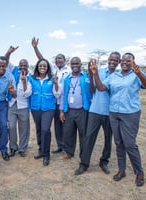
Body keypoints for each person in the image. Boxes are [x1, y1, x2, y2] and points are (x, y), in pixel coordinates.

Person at [90, 52, 146, 187]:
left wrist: (138, 73)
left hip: (130, 113)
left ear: (133, 61)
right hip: (114, 112)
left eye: (129, 60)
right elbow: (102, 88)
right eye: (124, 61)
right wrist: (95, 73)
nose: (125, 62)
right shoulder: (114, 76)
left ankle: (139, 172)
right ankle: (122, 170)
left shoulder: (137, 74)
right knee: (119, 142)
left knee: (129, 143)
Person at [74, 52, 121, 175]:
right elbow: (92, 90)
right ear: (108, 59)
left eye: (116, 60)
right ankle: (84, 164)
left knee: (107, 139)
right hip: (95, 110)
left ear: (119, 62)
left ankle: (104, 161)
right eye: (111, 59)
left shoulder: (118, 76)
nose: (113, 61)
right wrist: (91, 74)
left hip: (110, 112)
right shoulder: (98, 70)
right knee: (89, 137)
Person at [31, 37, 71, 154]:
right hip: (52, 102)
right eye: (57, 58)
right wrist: (35, 48)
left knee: (64, 124)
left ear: (64, 60)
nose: (59, 60)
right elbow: (41, 59)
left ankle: (65, 147)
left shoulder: (68, 70)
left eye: (61, 58)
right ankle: (59, 145)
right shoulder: (52, 68)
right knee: (56, 126)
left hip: (63, 101)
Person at [59, 57, 92, 160]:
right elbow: (63, 95)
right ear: (70, 65)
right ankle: (69, 152)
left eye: (77, 63)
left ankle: (83, 155)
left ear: (80, 64)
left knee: (83, 134)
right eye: (73, 64)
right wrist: (61, 111)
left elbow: (91, 91)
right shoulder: (66, 79)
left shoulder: (86, 77)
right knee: (68, 133)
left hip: (82, 110)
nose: (75, 66)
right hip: (69, 110)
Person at [29, 58, 60, 166]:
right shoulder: (32, 79)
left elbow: (57, 95)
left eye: (44, 66)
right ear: (37, 67)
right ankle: (41, 149)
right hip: (35, 108)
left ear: (48, 68)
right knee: (39, 129)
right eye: (40, 66)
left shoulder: (52, 79)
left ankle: (46, 155)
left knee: (45, 129)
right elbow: (27, 92)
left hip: (49, 108)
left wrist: (56, 84)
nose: (42, 67)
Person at [0, 56, 16, 161]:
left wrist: (12, 90)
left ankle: (3, 149)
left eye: (4, 65)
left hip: (2, 104)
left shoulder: (9, 76)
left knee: (3, 126)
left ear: (6, 66)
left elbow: (15, 95)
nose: (1, 67)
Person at [8, 59, 32, 157]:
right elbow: (6, 61)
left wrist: (24, 81)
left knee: (24, 128)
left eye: (24, 65)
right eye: (21, 65)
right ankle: (13, 147)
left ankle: (22, 148)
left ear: (27, 66)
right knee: (12, 126)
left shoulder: (30, 77)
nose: (22, 67)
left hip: (24, 105)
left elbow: (28, 94)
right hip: (12, 104)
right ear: (18, 66)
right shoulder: (13, 73)